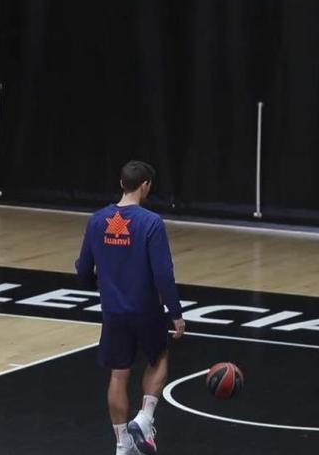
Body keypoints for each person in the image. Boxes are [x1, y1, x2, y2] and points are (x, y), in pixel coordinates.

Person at [75, 161, 185, 455]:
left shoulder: (97, 220)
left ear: (121, 183)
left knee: (118, 374)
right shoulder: (150, 222)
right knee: (159, 356)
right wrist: (175, 312)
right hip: (146, 308)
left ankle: (122, 444)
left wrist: (97, 287)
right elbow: (163, 272)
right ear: (145, 185)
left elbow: (83, 267)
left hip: (113, 311)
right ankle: (145, 419)